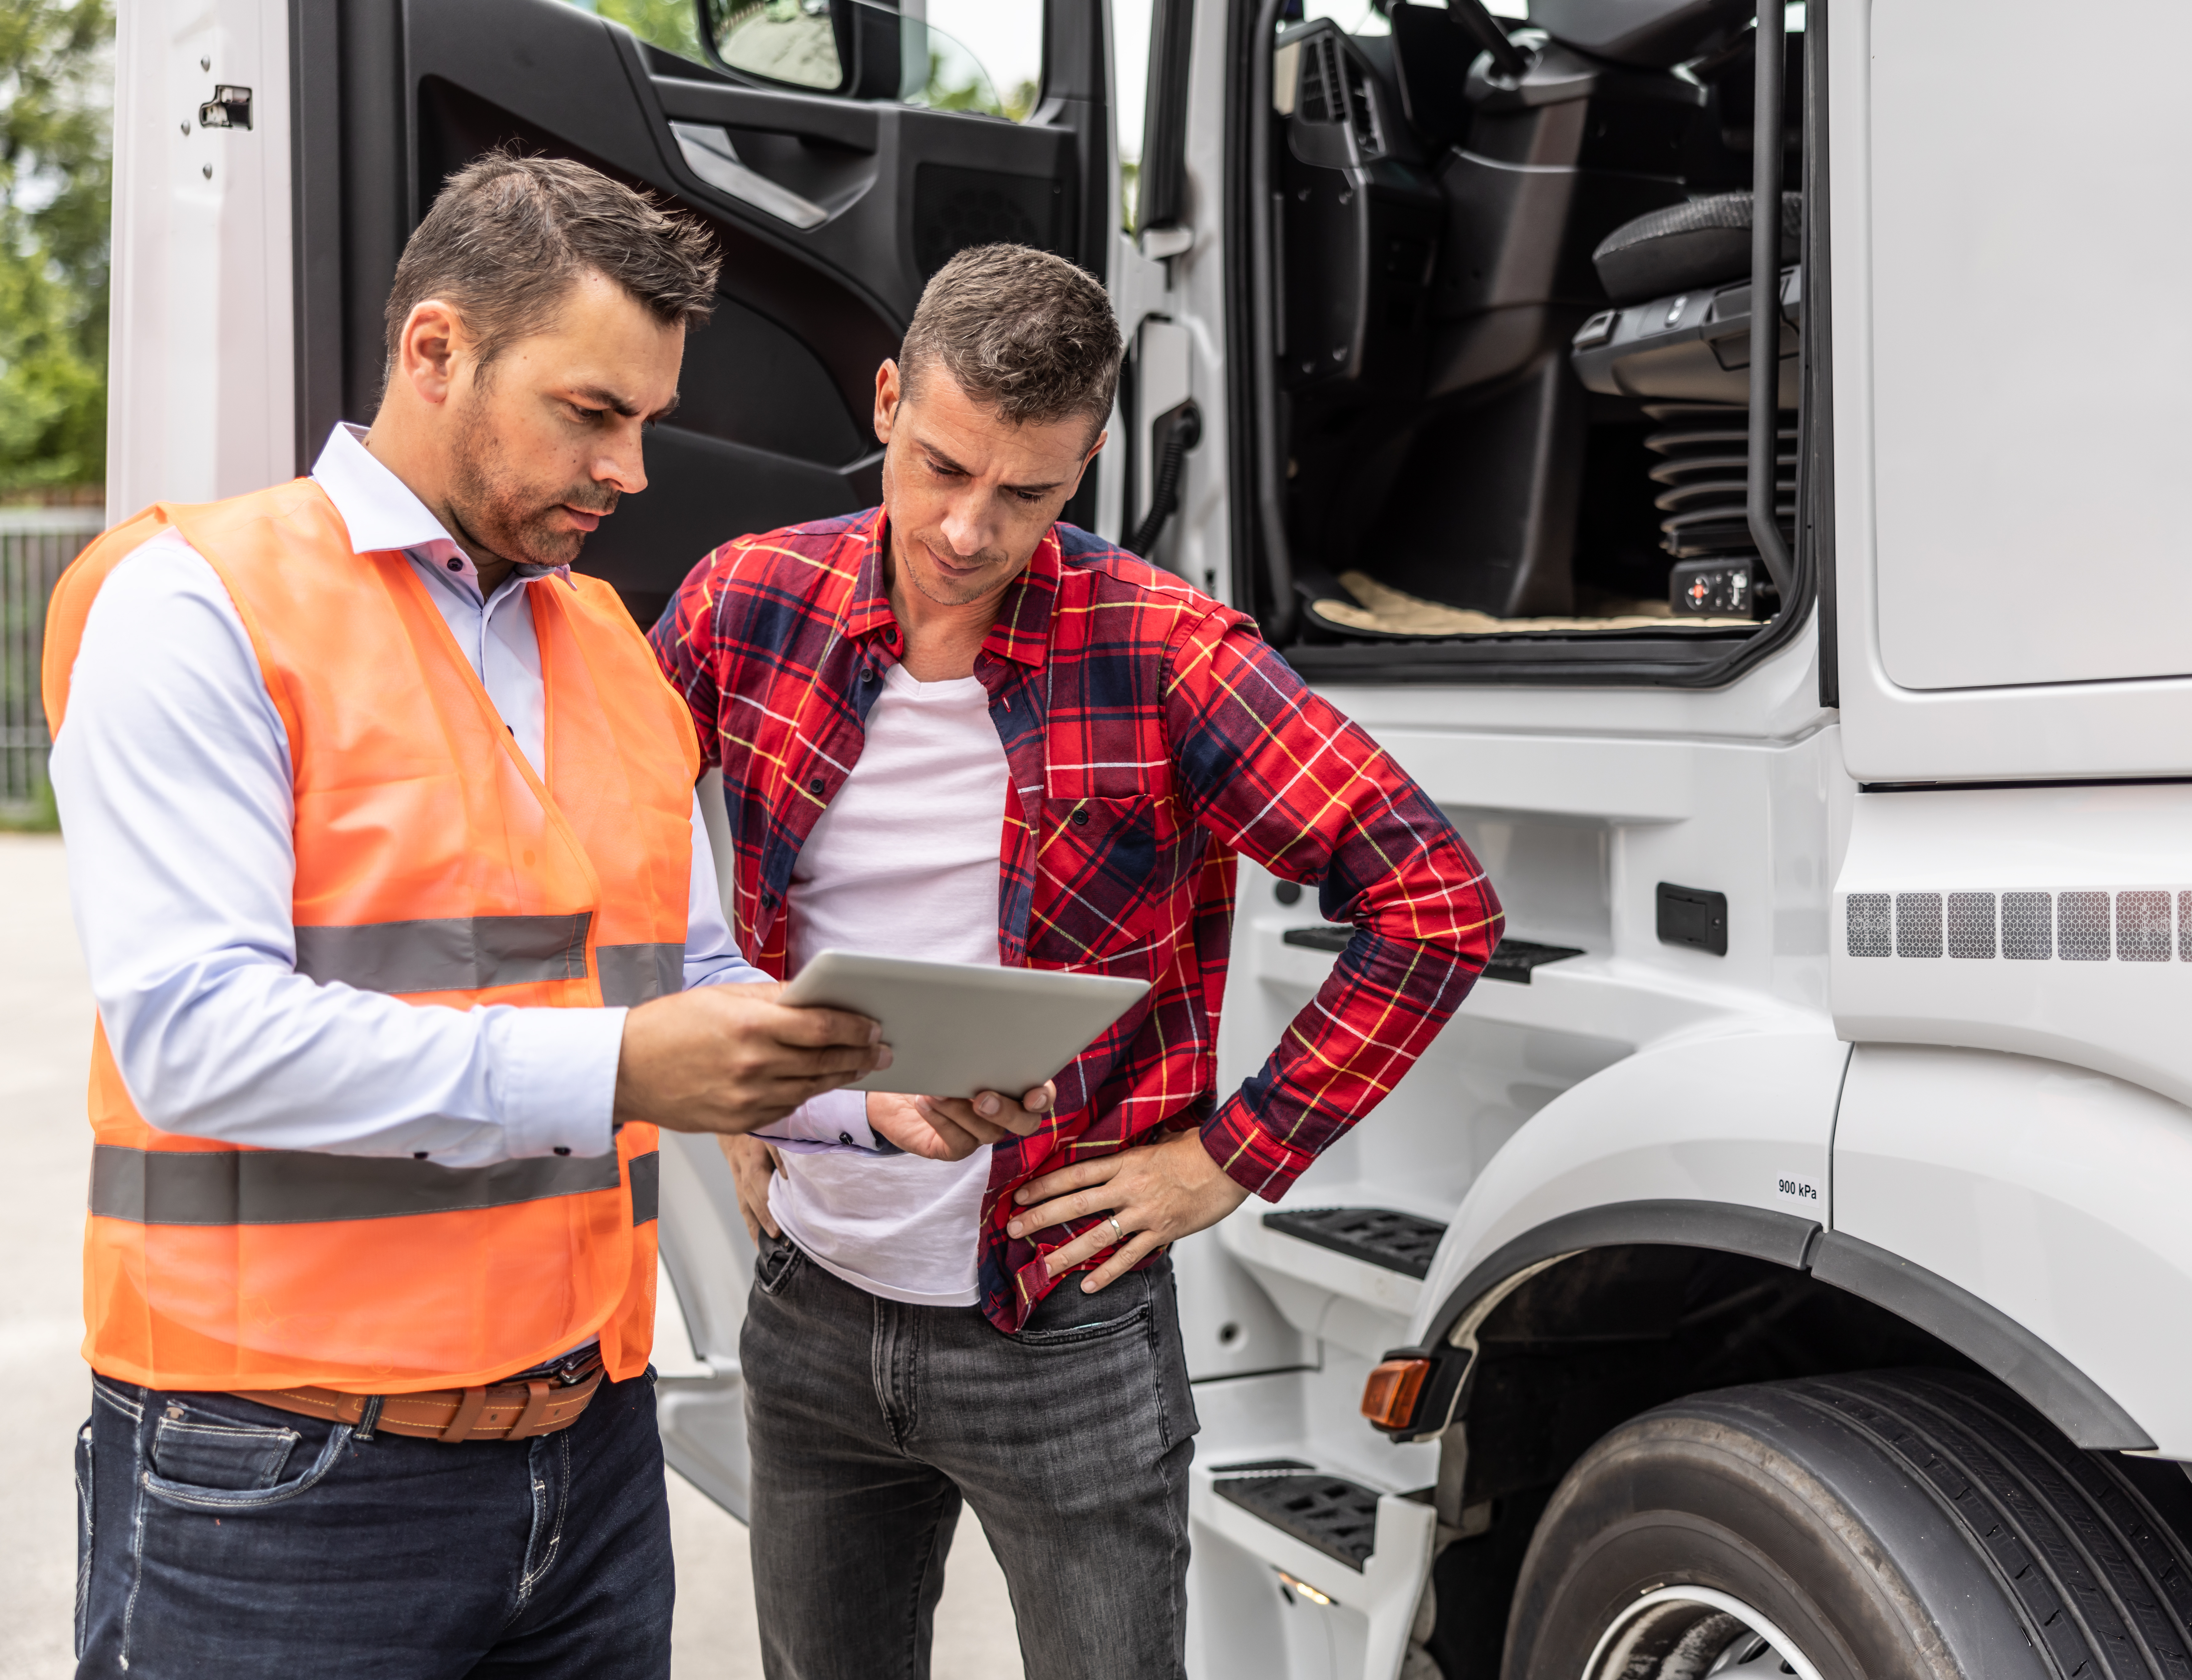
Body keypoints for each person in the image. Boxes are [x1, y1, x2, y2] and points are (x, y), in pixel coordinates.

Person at [43, 153, 907, 1679]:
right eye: (592, 412)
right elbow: (194, 1039)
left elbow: (687, 979)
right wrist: (620, 1070)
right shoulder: (196, 605)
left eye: (645, 420)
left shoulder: (608, 641)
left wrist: (870, 1097)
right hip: (281, 1472)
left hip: (588, 1459)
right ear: (434, 350)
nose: (631, 470)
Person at [649, 242, 1505, 1680]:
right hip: (807, 1301)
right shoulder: (748, 599)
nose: (970, 530)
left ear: (1090, 462)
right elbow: (604, 824)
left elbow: (1432, 899)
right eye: (941, 467)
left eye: (1027, 491)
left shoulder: (1171, 654)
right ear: (883, 400)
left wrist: (1223, 1163)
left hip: (1061, 1321)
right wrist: (742, 1084)